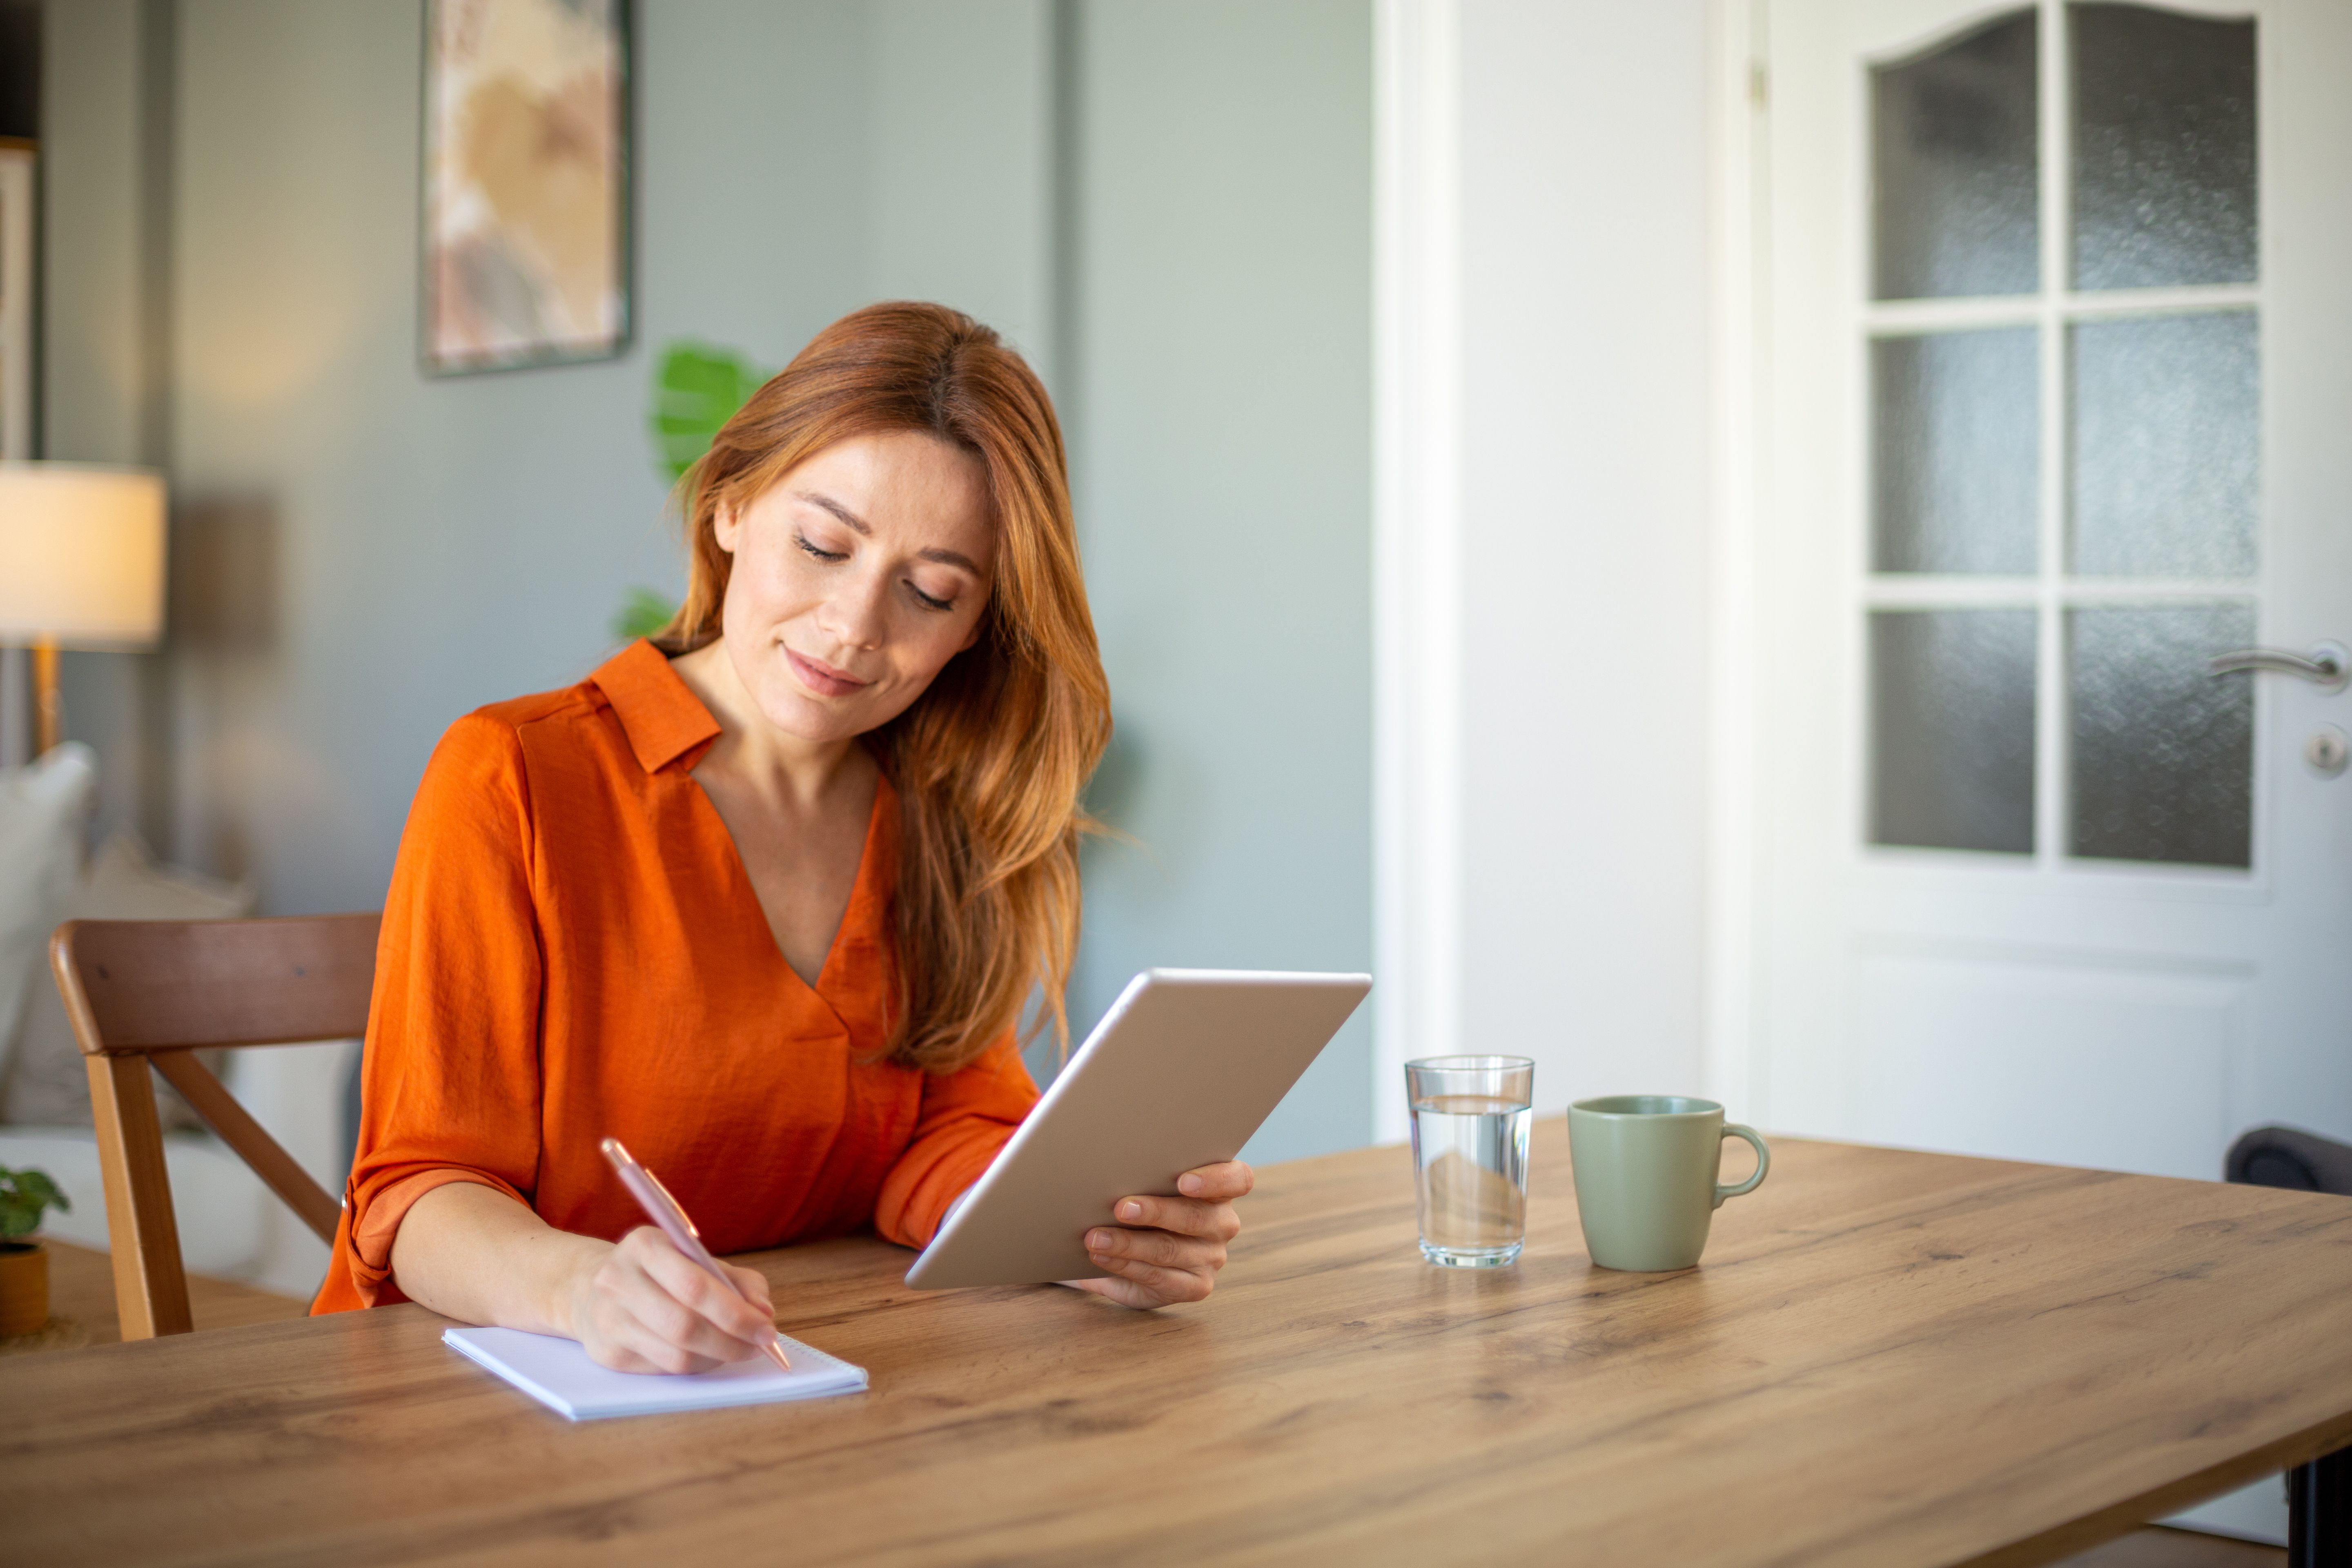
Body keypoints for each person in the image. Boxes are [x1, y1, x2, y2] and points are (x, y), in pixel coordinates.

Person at [313, 302, 1254, 1372]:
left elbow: (947, 1136)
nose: (853, 627)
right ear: (730, 505)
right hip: (463, 1397)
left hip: (799, 1393)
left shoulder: (941, 813)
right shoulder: (515, 774)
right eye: (822, 546)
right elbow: (419, 1197)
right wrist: (583, 1289)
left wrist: (1080, 1230)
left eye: (930, 592)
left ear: (976, 628)